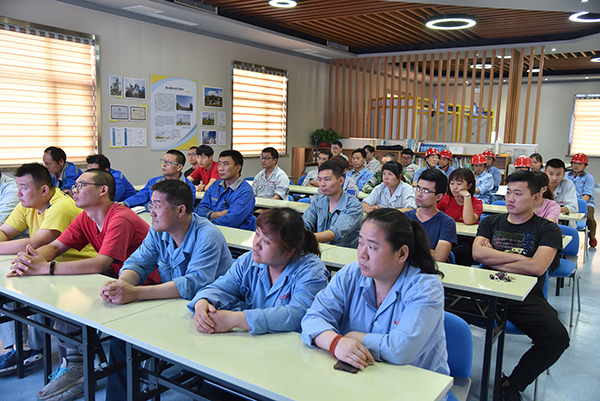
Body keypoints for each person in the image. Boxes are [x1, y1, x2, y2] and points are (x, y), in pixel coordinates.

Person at [8, 169, 159, 401]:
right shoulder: (85, 217)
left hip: (145, 284)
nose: (73, 191)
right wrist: (31, 260)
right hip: (115, 278)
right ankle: (76, 364)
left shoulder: (119, 217)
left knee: (70, 294)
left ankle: (78, 366)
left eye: (81, 186)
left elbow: (100, 263)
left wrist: (46, 268)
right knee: (64, 292)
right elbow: (56, 247)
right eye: (74, 186)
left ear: (103, 190)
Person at [100, 179, 233, 401]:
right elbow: (138, 263)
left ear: (180, 210)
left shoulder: (208, 235)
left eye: (157, 206)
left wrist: (136, 293)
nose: (151, 212)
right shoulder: (158, 231)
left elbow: (193, 284)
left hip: (208, 314)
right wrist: (122, 284)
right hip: (172, 307)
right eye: (150, 205)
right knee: (121, 337)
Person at [301, 208, 449, 376]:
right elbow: (313, 318)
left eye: (372, 247)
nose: (362, 254)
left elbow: (401, 349)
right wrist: (335, 342)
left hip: (415, 381)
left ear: (401, 254)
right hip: (362, 376)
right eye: (360, 243)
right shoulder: (351, 274)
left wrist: (353, 337)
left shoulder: (426, 287)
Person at [472, 170, 569, 401]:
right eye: (508, 192)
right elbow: (477, 253)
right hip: (485, 289)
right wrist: (522, 259)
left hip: (524, 296)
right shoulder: (490, 221)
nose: (510, 199)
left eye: (518, 193)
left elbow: (537, 268)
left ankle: (511, 383)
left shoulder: (547, 229)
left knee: (557, 338)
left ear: (536, 197)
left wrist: (494, 257)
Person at [0, 164, 96, 374]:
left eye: (23, 187)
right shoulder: (27, 204)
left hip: (76, 270)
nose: (18, 193)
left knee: (31, 290)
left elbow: (33, 244)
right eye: (18, 186)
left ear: (44, 190)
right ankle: (20, 347)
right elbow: (5, 232)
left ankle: (34, 348)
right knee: (6, 287)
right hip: (47, 267)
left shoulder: (60, 206)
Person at [189, 207, 329, 335]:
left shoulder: (312, 271)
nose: (256, 244)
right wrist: (203, 301)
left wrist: (236, 319)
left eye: (266, 241)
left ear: (288, 251)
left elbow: (298, 314)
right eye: (257, 234)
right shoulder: (248, 260)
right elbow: (222, 286)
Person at [303, 160, 363, 248]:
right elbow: (305, 222)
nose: (322, 184)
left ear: (341, 181)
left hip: (343, 252)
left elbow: (334, 233)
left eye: (327, 179)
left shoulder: (353, 205)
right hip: (321, 248)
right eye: (319, 179)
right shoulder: (318, 201)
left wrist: (303, 238)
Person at [195, 150, 256, 230]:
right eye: (219, 164)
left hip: (235, 233)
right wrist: (216, 214)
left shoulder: (245, 191)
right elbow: (199, 209)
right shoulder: (215, 185)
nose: (220, 168)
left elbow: (231, 220)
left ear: (238, 168)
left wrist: (206, 224)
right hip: (212, 230)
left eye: (225, 164)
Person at [405, 168, 456, 263]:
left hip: (429, 269)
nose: (419, 194)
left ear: (439, 196)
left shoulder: (447, 222)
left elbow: (439, 257)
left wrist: (408, 246)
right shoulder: (404, 217)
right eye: (418, 188)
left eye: (426, 191)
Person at [122, 149, 196, 208]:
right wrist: (124, 203)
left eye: (168, 162)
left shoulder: (188, 187)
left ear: (179, 167)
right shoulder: (153, 182)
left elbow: (184, 209)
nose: (164, 165)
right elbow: (140, 196)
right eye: (163, 161)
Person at [566, 153, 597, 247]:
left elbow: (587, 195)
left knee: (590, 218)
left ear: (585, 165)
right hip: (567, 202)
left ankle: (592, 236)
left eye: (579, 164)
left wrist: (578, 204)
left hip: (585, 203)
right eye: (574, 163)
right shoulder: (565, 175)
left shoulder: (589, 178)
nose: (576, 165)